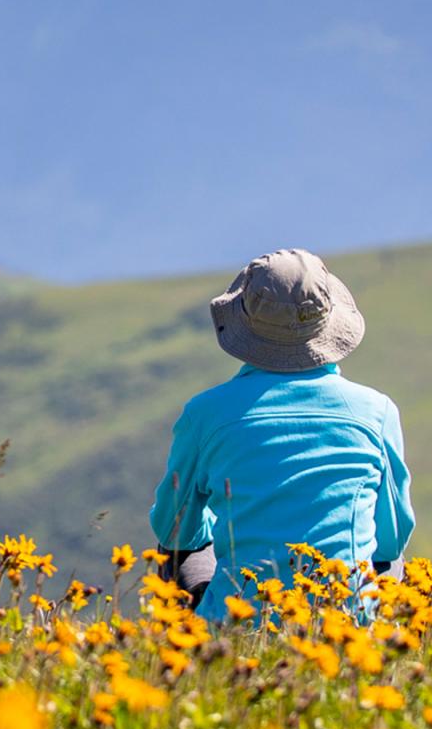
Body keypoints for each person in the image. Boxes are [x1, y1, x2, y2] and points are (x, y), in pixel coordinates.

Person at [148, 248, 414, 616]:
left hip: (237, 622)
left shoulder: (205, 413)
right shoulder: (376, 411)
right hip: (345, 625)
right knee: (391, 559)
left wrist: (220, 522)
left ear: (245, 322)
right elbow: (392, 538)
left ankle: (189, 654)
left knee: (178, 545)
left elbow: (173, 528)